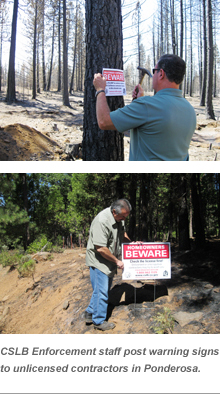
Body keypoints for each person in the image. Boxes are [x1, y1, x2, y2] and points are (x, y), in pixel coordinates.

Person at [93, 54, 197, 161]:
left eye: (154, 71)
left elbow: (104, 121)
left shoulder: (147, 106)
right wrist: (141, 101)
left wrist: (100, 90)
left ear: (161, 73)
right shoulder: (190, 109)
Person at [84, 199, 132, 331]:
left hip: (108, 259)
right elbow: (100, 248)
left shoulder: (119, 217)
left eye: (126, 216)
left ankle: (89, 312)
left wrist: (132, 245)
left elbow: (122, 234)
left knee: (100, 289)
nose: (124, 219)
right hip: (99, 260)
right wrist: (117, 261)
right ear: (114, 211)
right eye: (122, 216)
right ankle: (98, 321)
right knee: (102, 291)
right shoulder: (102, 221)